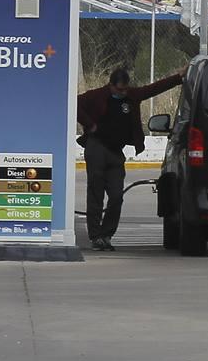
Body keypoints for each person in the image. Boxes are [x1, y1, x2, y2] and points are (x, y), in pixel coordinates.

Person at [76, 66, 184, 251]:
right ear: (111, 86)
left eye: (125, 89)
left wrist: (178, 77)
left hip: (116, 152)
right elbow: (75, 103)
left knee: (117, 195)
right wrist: (90, 125)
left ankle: (107, 234)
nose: (122, 93)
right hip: (97, 147)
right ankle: (96, 237)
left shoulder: (132, 96)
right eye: (119, 90)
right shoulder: (97, 95)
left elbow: (153, 88)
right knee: (95, 193)